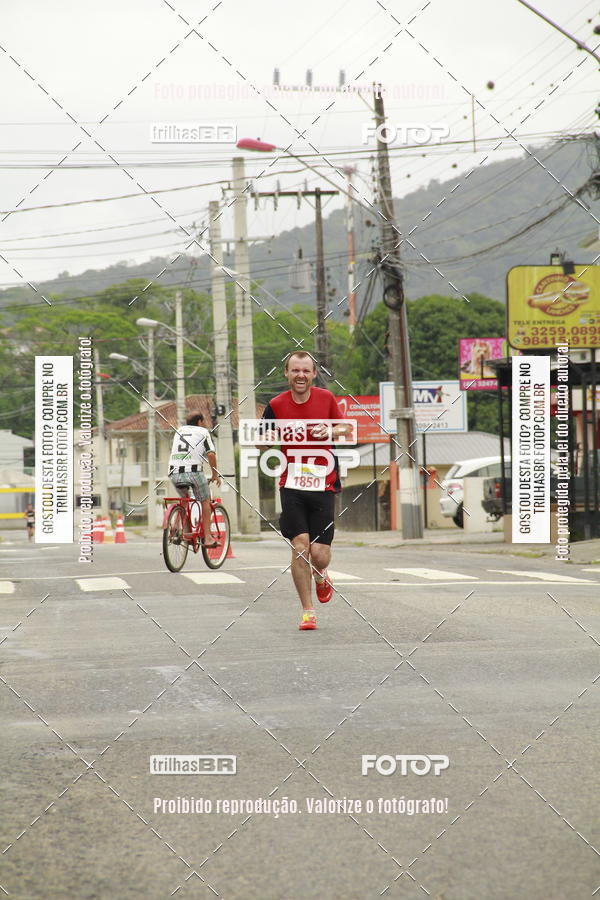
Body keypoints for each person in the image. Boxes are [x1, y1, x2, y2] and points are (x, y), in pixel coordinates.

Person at [261, 352, 351, 631]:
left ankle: (322, 575)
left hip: (323, 482)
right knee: (300, 546)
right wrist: (265, 441)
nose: (300, 375)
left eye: (306, 371)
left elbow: (346, 428)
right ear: (286, 373)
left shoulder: (326, 399)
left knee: (319, 553)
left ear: (313, 374)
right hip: (291, 483)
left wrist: (330, 432)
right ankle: (307, 611)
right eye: (295, 370)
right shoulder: (275, 405)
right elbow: (262, 441)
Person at [168, 413, 221, 547]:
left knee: (184, 500)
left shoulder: (179, 431)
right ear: (199, 421)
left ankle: (177, 529)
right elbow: (211, 454)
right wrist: (215, 474)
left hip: (174, 472)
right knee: (205, 501)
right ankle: (208, 538)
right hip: (193, 472)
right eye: (204, 421)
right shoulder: (203, 432)